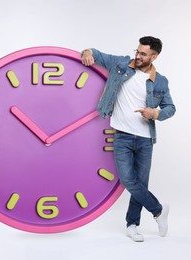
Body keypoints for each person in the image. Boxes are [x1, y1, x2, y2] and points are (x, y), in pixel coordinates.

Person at [81, 36, 176, 242]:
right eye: (137, 51)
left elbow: (171, 108)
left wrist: (155, 114)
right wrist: (87, 52)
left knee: (140, 183)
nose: (138, 56)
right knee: (127, 180)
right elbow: (95, 53)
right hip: (122, 136)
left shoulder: (160, 81)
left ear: (154, 56)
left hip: (145, 139)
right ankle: (159, 210)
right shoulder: (121, 64)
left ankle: (132, 225)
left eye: (143, 54)